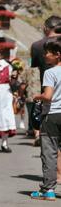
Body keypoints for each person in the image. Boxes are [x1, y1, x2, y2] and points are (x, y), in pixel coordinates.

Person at [31, 39, 61, 200]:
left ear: (57, 55)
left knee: (49, 152)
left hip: (53, 116)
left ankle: (48, 190)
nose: (45, 55)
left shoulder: (50, 72)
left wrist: (37, 96)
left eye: (48, 52)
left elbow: (48, 97)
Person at [30, 16, 61, 145]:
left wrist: (36, 96)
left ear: (46, 28)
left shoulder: (37, 45)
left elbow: (36, 68)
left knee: (51, 142)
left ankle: (40, 135)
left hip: (49, 88)